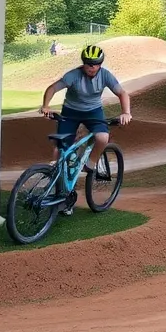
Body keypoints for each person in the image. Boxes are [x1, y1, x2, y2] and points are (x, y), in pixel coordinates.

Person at [40, 45, 132, 213]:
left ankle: (90, 165)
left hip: (93, 112)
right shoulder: (73, 75)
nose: (91, 67)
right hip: (70, 112)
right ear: (83, 63)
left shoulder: (105, 75)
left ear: (100, 64)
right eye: (88, 64)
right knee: (61, 148)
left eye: (95, 64)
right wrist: (45, 106)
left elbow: (122, 93)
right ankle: (59, 189)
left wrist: (126, 112)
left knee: (102, 137)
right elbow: (52, 88)